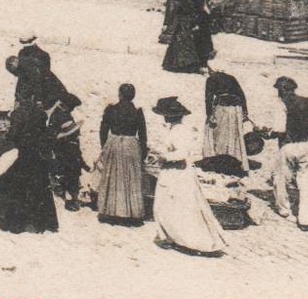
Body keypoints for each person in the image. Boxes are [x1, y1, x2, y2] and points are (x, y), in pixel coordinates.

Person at [149, 97, 226, 255]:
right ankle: (172, 237)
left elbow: (182, 153)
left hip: (177, 173)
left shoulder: (179, 131)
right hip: (175, 172)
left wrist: (163, 156)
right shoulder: (177, 129)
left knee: (174, 207)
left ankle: (187, 241)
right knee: (172, 207)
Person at [0, 84, 59, 235]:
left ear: (19, 97)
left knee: (10, 186)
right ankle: (42, 222)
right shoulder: (40, 114)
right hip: (36, 156)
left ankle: (10, 221)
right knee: (38, 188)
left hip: (22, 154)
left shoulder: (18, 114)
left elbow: (13, 136)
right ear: (32, 97)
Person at [271, 76, 308, 231]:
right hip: (307, 145)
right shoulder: (307, 101)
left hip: (289, 146)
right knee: (307, 183)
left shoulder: (281, 104)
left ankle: (283, 209)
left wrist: (268, 133)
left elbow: (280, 129)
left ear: (281, 90)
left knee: (280, 177)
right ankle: (306, 219)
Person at [96, 84, 148, 226]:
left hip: (114, 143)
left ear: (120, 95)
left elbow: (103, 129)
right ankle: (129, 212)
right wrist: (143, 153)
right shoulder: (137, 112)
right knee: (130, 178)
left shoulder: (111, 109)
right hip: (131, 145)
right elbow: (143, 135)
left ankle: (111, 211)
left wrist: (104, 146)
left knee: (113, 176)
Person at [162, 0, 216, 74]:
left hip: (189, 19)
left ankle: (186, 64)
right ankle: (193, 65)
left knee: (185, 41)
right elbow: (198, 7)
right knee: (193, 41)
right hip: (193, 19)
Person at [203, 71, 250, 162]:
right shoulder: (231, 78)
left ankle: (221, 159)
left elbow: (208, 98)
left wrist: (209, 115)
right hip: (236, 108)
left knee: (220, 134)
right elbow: (241, 94)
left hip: (222, 107)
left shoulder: (211, 79)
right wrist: (245, 111)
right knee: (234, 134)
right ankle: (235, 158)